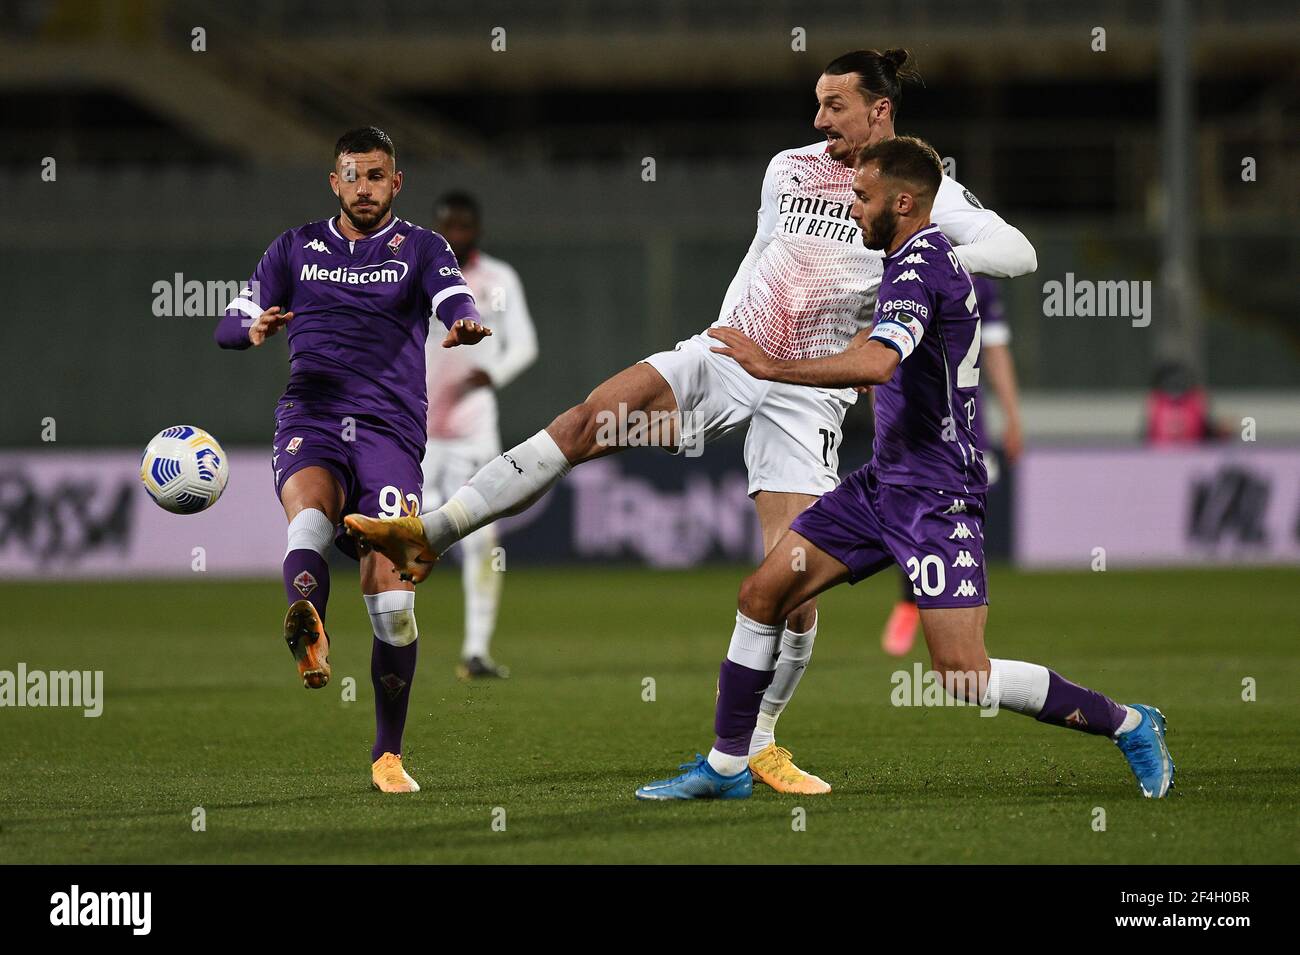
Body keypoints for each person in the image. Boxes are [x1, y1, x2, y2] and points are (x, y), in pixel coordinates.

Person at [345, 50, 1037, 795]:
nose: (818, 119)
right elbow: (771, 254)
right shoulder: (788, 169)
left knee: (792, 584)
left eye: (834, 105)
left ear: (880, 110)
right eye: (817, 103)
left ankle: (761, 745)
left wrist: (934, 243)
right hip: (730, 352)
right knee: (586, 422)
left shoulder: (926, 196)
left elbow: (1019, 252)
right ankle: (432, 534)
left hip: (806, 394)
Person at [633, 136, 1174, 801]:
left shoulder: (922, 262)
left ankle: (1129, 721)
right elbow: (893, 355)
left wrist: (771, 365)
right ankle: (725, 766)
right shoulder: (905, 260)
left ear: (905, 202)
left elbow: (879, 360)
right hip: (881, 483)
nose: (852, 208)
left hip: (937, 495)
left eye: (862, 197)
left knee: (962, 674)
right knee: (762, 594)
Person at [214, 127, 491, 793]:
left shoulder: (421, 247)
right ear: (332, 181)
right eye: (351, 175)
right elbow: (230, 319)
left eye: (376, 176)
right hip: (310, 415)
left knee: (391, 603)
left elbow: (454, 295)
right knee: (308, 514)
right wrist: (250, 329)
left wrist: (463, 321)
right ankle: (308, 625)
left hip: (390, 433)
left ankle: (387, 753)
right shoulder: (295, 247)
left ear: (397, 184)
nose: (363, 187)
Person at [423, 191, 539, 679]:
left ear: (477, 229)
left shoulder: (498, 280)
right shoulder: (418, 273)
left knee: (482, 543)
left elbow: (525, 345)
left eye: (463, 225)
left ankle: (475, 652)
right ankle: (390, 640)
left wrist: (493, 376)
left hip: (474, 436)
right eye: (447, 224)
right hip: (416, 433)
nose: (455, 233)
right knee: (404, 538)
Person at [879, 275, 1023, 656]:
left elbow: (994, 350)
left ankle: (960, 618)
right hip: (912, 421)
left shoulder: (977, 276)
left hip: (965, 424)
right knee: (906, 508)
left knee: (963, 518)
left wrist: (1012, 415)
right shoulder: (900, 269)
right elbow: (880, 352)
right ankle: (909, 603)